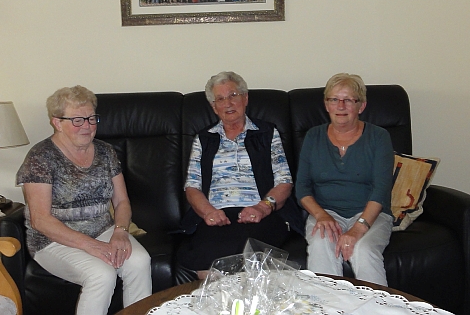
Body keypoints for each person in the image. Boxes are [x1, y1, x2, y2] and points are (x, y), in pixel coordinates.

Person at [16, 85, 152, 315]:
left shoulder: (106, 152)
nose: (87, 126)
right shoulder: (40, 157)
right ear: (57, 122)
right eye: (77, 120)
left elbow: (122, 202)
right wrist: (92, 246)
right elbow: (40, 220)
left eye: (91, 118)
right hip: (53, 240)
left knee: (140, 261)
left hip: (103, 229)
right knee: (101, 274)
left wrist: (120, 232)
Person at [177, 71, 302, 282]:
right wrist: (209, 212)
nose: (228, 103)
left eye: (233, 95)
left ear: (245, 98)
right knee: (205, 262)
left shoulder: (267, 133)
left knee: (248, 255)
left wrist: (262, 207)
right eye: (220, 99)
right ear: (214, 107)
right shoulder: (204, 139)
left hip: (260, 213)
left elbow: (284, 181)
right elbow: (192, 187)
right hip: (217, 214)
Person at [295, 73, 394, 286]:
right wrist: (321, 215)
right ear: (326, 105)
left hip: (371, 214)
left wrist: (358, 228)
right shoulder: (313, 136)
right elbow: (302, 187)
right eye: (334, 99)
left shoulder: (379, 137)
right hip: (326, 212)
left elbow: (381, 189)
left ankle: (377, 305)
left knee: (363, 249)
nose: (340, 106)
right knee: (321, 244)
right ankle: (327, 303)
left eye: (348, 100)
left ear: (361, 106)